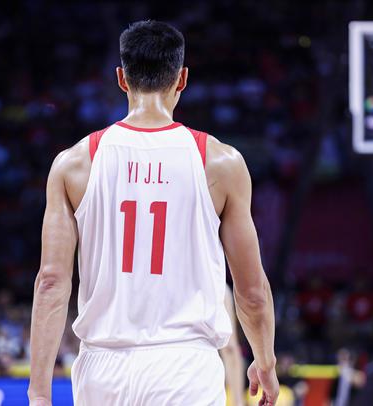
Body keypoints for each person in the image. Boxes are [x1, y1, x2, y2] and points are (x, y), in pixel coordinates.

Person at [27, 20, 278, 406]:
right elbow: (252, 291)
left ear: (121, 78)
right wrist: (265, 361)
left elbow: (50, 283)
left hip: (102, 370)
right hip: (185, 368)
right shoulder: (220, 162)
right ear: (182, 79)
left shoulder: (74, 163)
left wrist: (39, 392)